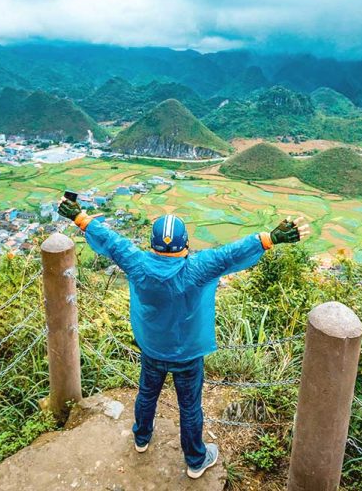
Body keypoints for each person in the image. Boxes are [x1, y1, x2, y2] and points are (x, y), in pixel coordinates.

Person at [58, 197, 309, 479]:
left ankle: (141, 439)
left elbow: (113, 242)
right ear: (185, 243)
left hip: (152, 348)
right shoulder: (198, 267)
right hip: (188, 354)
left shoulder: (137, 263)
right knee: (189, 406)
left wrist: (80, 218)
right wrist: (269, 238)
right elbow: (231, 254)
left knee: (147, 394)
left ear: (153, 244)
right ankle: (194, 460)